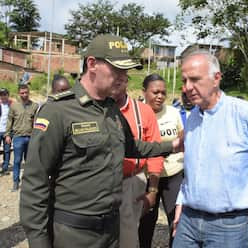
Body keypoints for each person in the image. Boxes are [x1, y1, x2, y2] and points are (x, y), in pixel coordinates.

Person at [19, 34, 181, 248]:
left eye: (126, 71)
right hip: (74, 234)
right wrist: (39, 242)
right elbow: (35, 183)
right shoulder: (58, 111)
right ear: (92, 64)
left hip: (112, 231)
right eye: (117, 70)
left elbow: (131, 146)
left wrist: (173, 146)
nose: (124, 78)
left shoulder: (111, 109)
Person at [172, 51, 248, 248]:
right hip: (189, 220)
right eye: (184, 81)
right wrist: (181, 202)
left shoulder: (245, 114)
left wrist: (246, 187)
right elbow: (191, 169)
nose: (187, 88)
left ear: (216, 78)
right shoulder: (193, 118)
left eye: (195, 79)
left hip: (230, 225)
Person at [110, 71, 164, 248]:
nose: (115, 84)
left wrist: (153, 191)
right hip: (98, 183)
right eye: (112, 79)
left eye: (121, 80)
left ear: (127, 82)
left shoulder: (143, 112)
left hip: (131, 182)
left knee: (127, 237)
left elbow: (155, 152)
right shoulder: (93, 109)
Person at [139, 73, 184, 248]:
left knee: (176, 218)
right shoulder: (137, 114)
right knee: (147, 220)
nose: (160, 96)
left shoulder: (173, 113)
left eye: (163, 93)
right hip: (146, 176)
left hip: (173, 174)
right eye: (155, 92)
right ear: (144, 92)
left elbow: (182, 138)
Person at [4, 84, 38, 191]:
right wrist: (7, 135)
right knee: (17, 161)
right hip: (18, 137)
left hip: (31, 137)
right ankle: (15, 182)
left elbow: (37, 122)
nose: (24, 95)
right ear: (19, 93)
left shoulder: (34, 106)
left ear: (29, 92)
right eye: (22, 93)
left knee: (29, 162)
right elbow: (10, 121)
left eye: (26, 92)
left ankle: (27, 182)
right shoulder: (14, 106)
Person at [0, 88, 12, 175]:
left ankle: (5, 167)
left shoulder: (12, 105)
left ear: (8, 95)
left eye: (4, 94)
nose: (3, 96)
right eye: (1, 94)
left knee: (7, 150)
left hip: (7, 132)